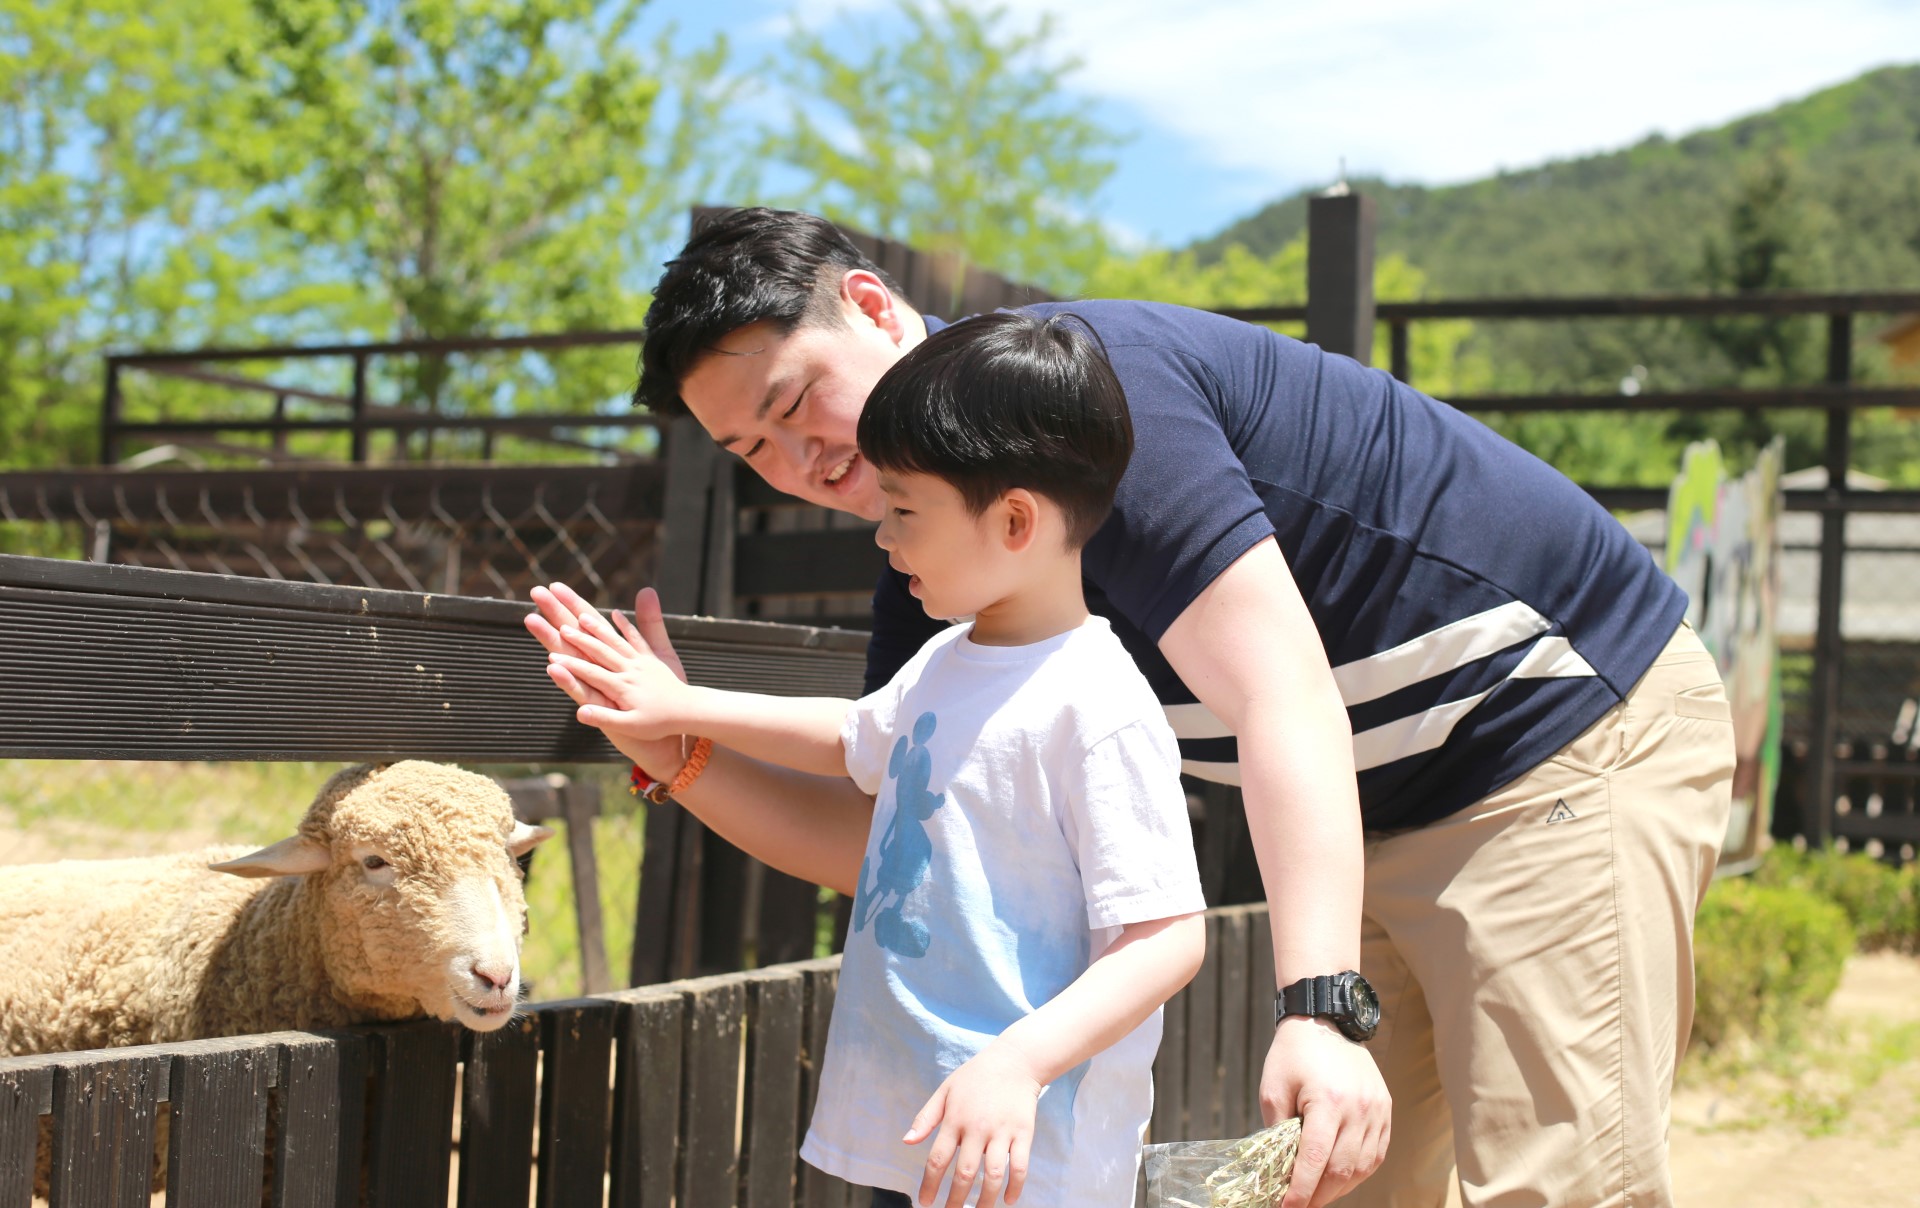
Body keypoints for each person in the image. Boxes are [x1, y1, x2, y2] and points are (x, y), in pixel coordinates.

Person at [529, 208, 1736, 1208]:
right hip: (1372, 801)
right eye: (752, 449)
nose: (798, 461)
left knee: (1556, 1182)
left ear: (874, 306)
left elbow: (1279, 688)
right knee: (1342, 1182)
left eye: (796, 403)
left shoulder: (1083, 405)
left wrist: (1317, 1006)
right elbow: (908, 840)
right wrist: (677, 756)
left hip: (1549, 726)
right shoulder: (935, 554)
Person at [539, 311, 1208, 1208]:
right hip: (925, 1121)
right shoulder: (946, 657)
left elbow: (1166, 937)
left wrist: (1018, 1064)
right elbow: (852, 739)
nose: (884, 538)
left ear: (1014, 519)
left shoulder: (1098, 704)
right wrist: (681, 710)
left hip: (1030, 1147)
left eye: (903, 511)